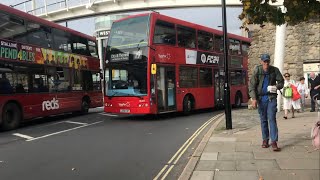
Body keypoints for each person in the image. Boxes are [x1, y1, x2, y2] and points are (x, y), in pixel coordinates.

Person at [249, 54, 284, 151]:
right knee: (263, 120)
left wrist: (276, 87)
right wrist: (254, 98)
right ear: (261, 62)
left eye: (268, 61)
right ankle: (265, 139)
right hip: (261, 99)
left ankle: (274, 141)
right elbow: (252, 86)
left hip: (271, 97)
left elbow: (281, 82)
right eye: (264, 61)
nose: (266, 63)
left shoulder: (275, 70)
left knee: (272, 118)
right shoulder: (257, 70)